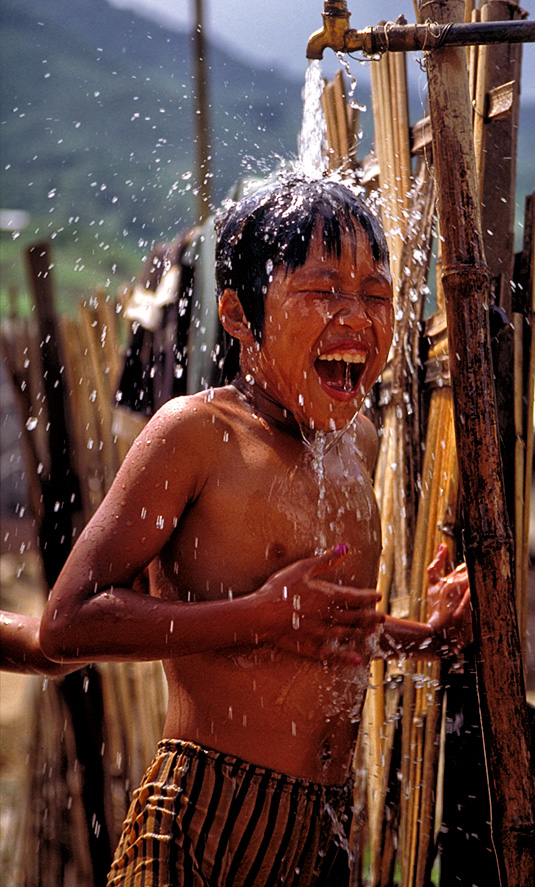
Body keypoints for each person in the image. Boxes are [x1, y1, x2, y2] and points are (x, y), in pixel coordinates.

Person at [40, 176, 471, 887]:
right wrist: (259, 614)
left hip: (321, 833)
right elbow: (66, 623)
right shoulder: (197, 435)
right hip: (200, 823)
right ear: (239, 316)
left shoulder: (354, 444)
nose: (357, 318)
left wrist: (425, 635)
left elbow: (320, 631)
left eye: (375, 294)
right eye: (323, 289)